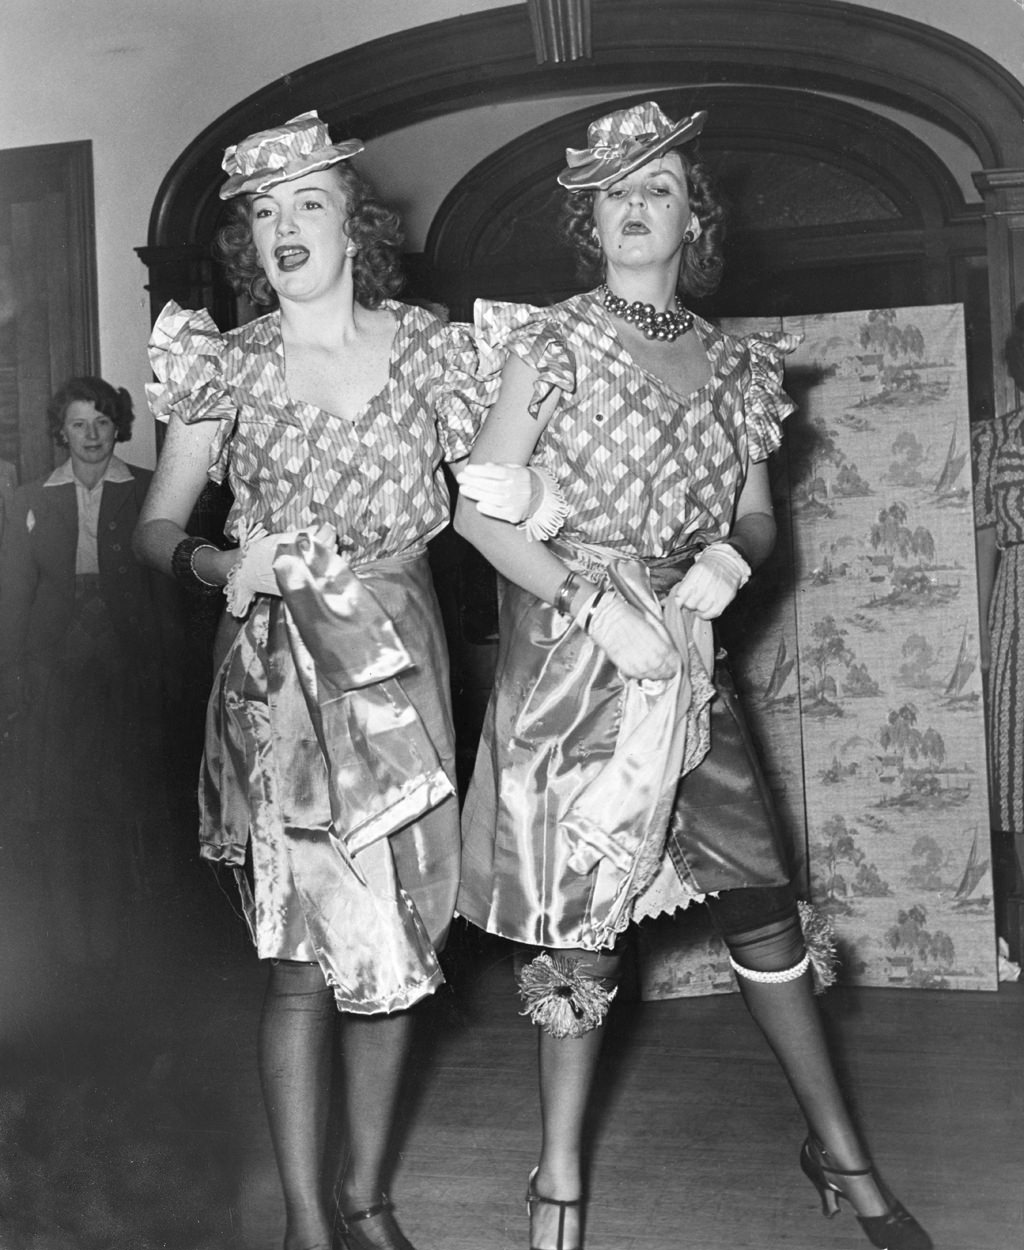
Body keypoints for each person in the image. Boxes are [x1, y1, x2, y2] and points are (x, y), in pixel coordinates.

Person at [453, 101, 931, 1250]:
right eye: (612, 189)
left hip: (687, 651)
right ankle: (557, 1176)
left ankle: (840, 1148)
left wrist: (731, 553)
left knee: (763, 906)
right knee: (584, 929)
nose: (632, 204)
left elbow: (759, 518)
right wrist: (584, 602)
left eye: (656, 185)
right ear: (590, 218)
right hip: (578, 663)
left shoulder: (734, 362)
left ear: (693, 216)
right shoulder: (548, 341)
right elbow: (479, 512)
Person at [133, 112, 489, 1250]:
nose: (284, 229)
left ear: (355, 221)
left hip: (404, 662)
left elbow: (497, 505)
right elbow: (155, 526)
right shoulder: (221, 362)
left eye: (309, 204)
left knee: (395, 953)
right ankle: (306, 1221)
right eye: (263, 212)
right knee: (297, 955)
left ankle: (369, 1194)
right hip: (281, 680)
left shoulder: (435, 350)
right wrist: (220, 559)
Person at [0, 376, 183, 960]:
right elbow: (13, 595)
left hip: (128, 661)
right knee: (62, 797)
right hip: (55, 664)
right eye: (78, 424)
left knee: (128, 791)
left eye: (102, 422)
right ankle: (70, 936)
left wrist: (172, 673)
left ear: (117, 427)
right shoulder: (31, 498)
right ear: (62, 431)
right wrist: (12, 675)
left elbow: (166, 594)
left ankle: (133, 930)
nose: (91, 435)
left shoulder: (149, 491)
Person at [973, 303, 1024, 946]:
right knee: (1019, 772)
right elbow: (986, 538)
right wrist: (984, 642)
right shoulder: (998, 437)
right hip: (1018, 604)